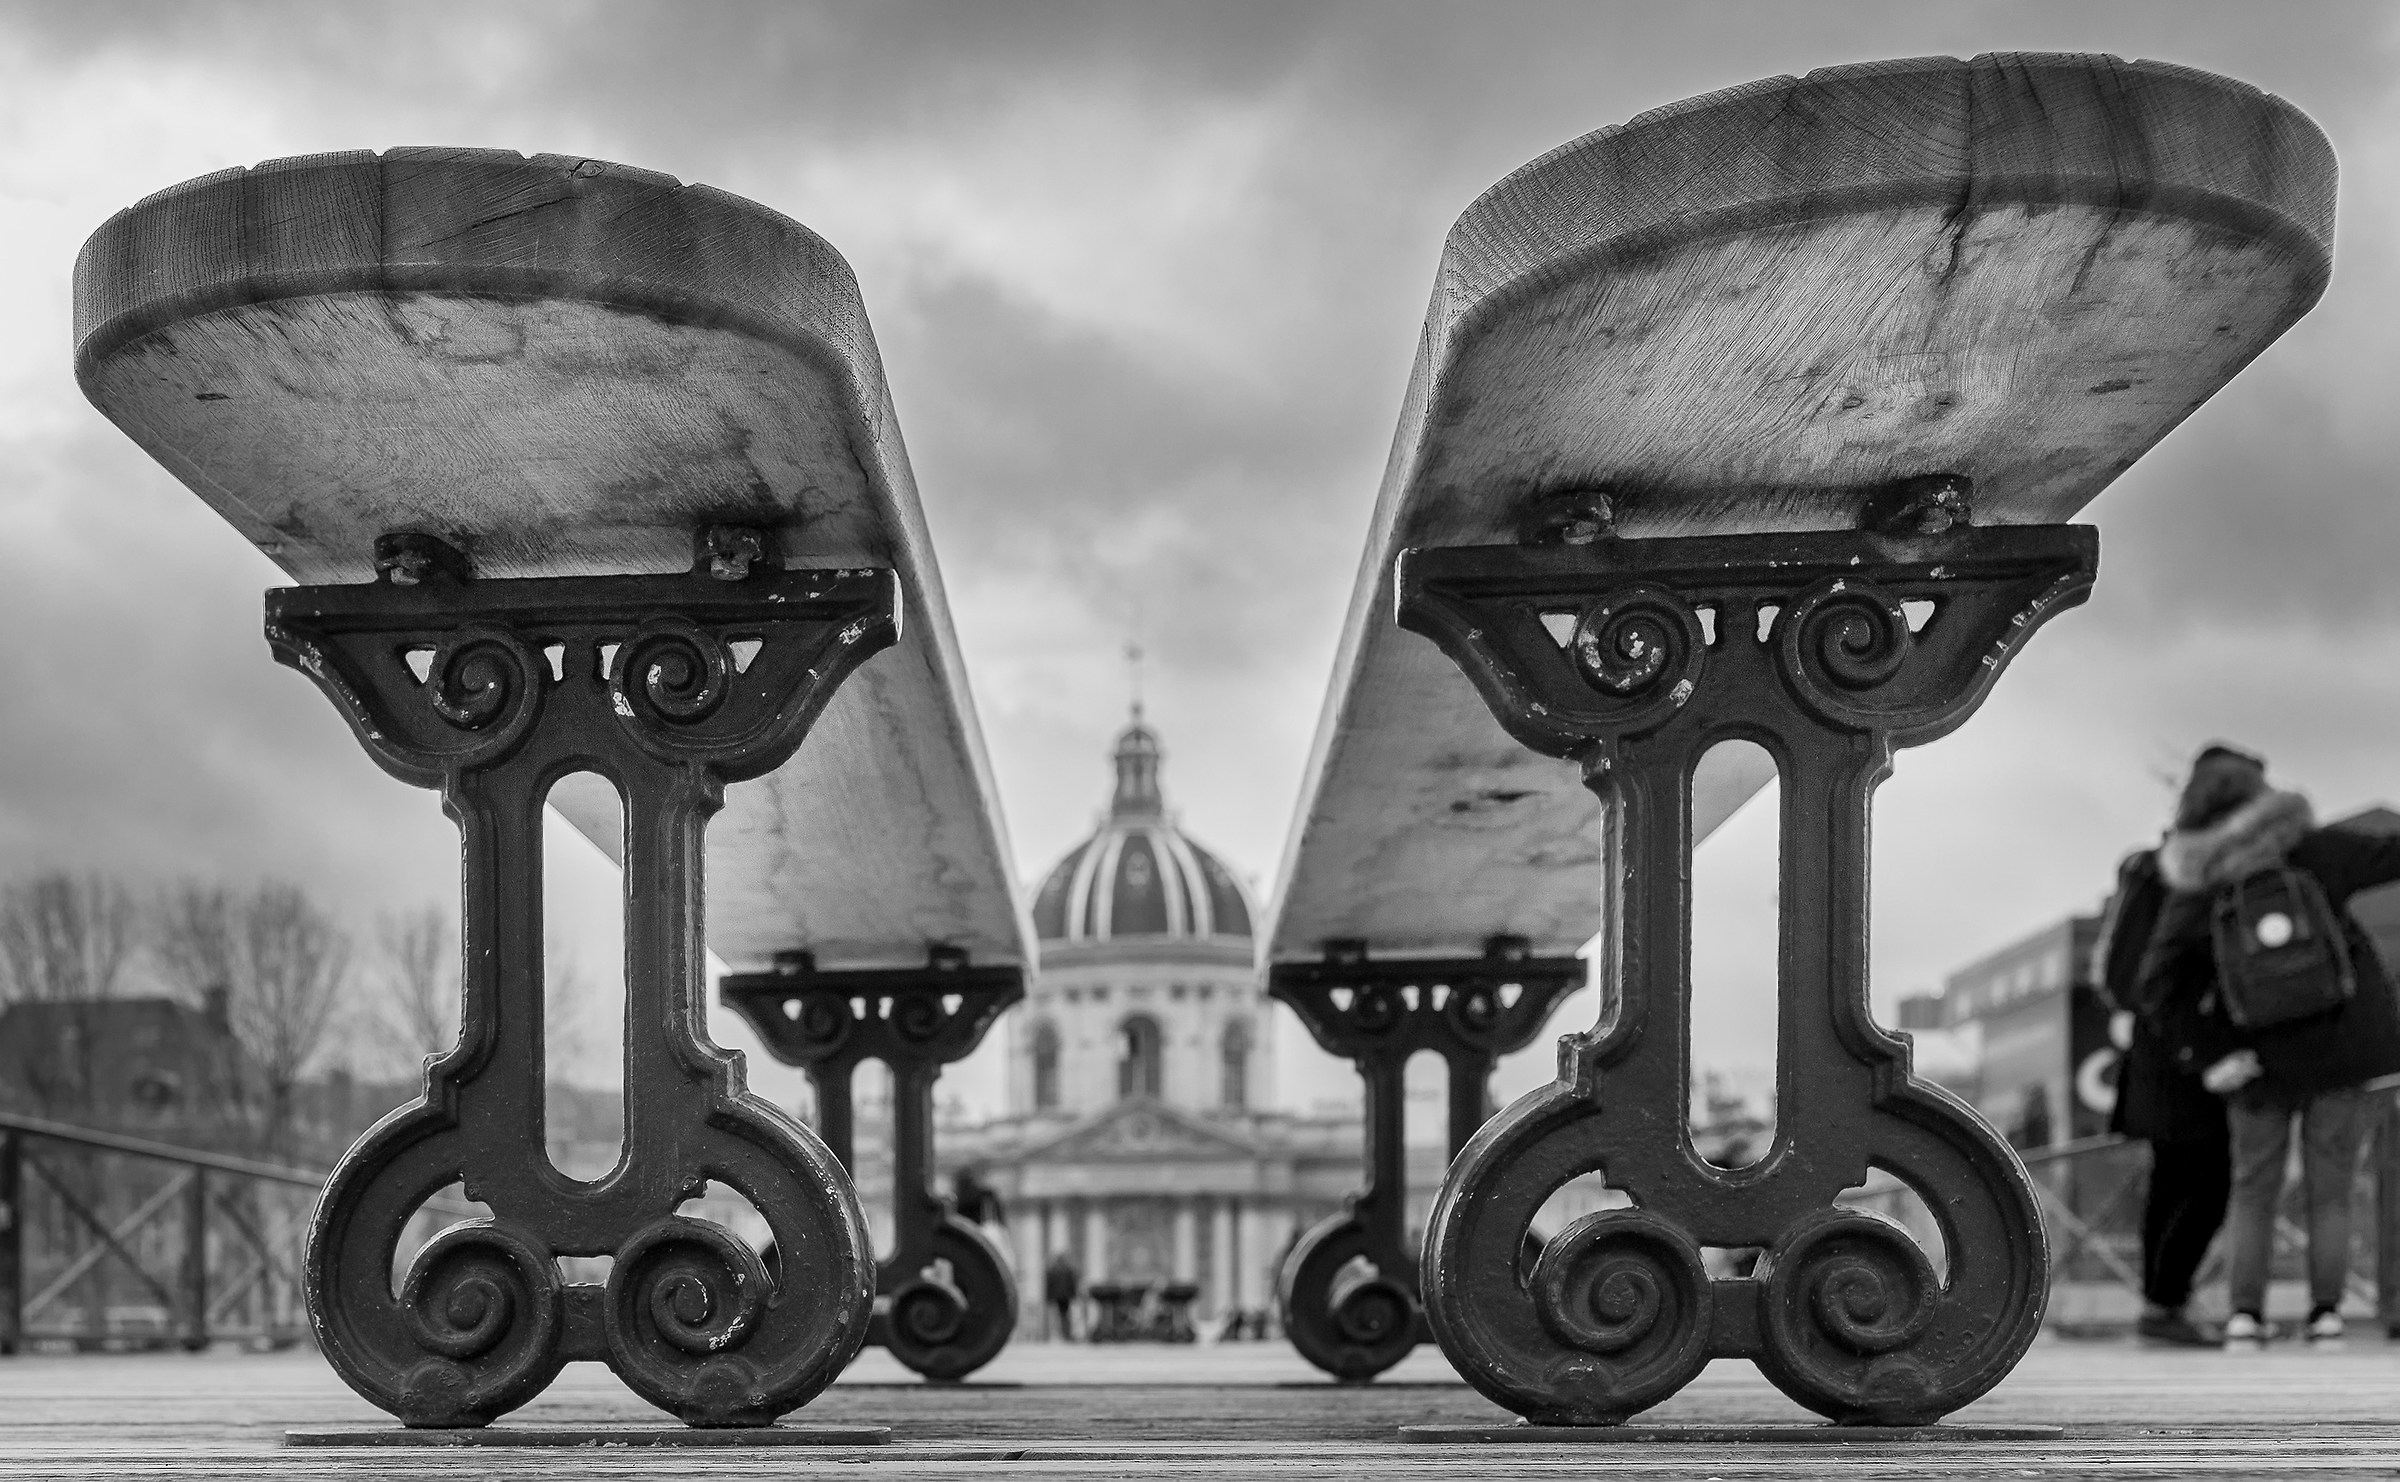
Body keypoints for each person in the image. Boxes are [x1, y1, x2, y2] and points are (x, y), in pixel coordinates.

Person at [2136, 744, 2400, 1350]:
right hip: (2344, 1046)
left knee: (2253, 1190)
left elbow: (2157, 983)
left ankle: (2245, 1319)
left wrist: (2210, 1055)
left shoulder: (2202, 876)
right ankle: (2326, 1316)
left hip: (2253, 1056)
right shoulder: (2313, 848)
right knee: (2331, 1190)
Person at [2094, 842, 2228, 1346]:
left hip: (2151, 1052)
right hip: (2183, 1050)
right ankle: (2166, 1300)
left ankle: (2160, 1302)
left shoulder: (2145, 874)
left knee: (2170, 1181)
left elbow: (2123, 978)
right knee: (2208, 1183)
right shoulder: (2188, 879)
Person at [1043, 1250, 1080, 1342]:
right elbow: (1072, 1284)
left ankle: (1062, 1334)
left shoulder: (1053, 1270)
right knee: (1063, 1316)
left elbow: (1050, 1284)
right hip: (1064, 1297)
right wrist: (1074, 1295)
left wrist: (1048, 1297)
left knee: (1061, 1316)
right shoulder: (1067, 1270)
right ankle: (1063, 1334)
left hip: (1059, 1297)